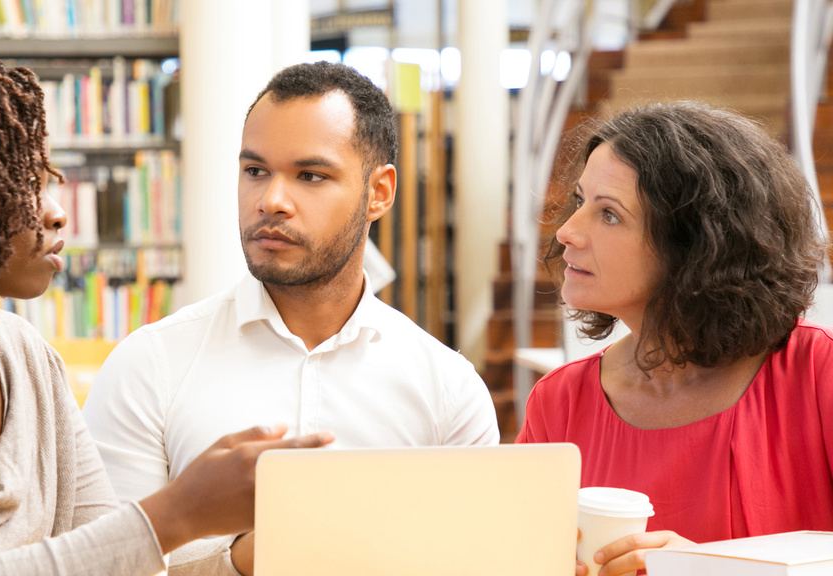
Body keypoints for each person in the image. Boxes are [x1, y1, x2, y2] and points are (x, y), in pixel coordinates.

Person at [0, 27, 333, 576]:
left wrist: (240, 556)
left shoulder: (25, 354)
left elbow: (107, 561)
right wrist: (177, 513)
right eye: (23, 184)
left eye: (49, 180)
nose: (57, 211)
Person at [82, 61, 500, 575]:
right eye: (255, 171)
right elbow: (102, 566)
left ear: (380, 192)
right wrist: (246, 558)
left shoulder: (448, 388)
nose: (271, 201)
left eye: (310, 175)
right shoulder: (149, 366)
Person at [516, 101, 833, 576]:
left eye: (609, 215)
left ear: (697, 248)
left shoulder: (816, 374)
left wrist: (709, 567)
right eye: (581, 201)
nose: (566, 232)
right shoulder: (558, 402)